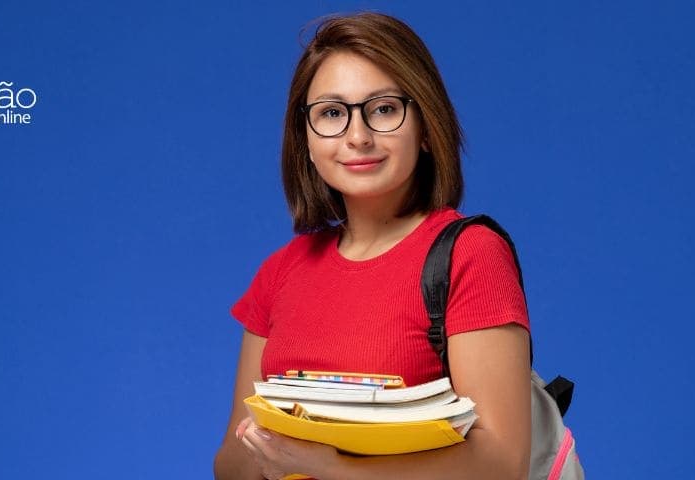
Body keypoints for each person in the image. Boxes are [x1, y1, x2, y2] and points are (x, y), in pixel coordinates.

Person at [213, 12, 532, 480]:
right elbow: (231, 466)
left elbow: (502, 464)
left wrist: (330, 466)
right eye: (331, 113)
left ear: (425, 126)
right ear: (305, 137)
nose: (357, 136)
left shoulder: (470, 254)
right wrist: (265, 442)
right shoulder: (280, 272)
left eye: (383, 109)